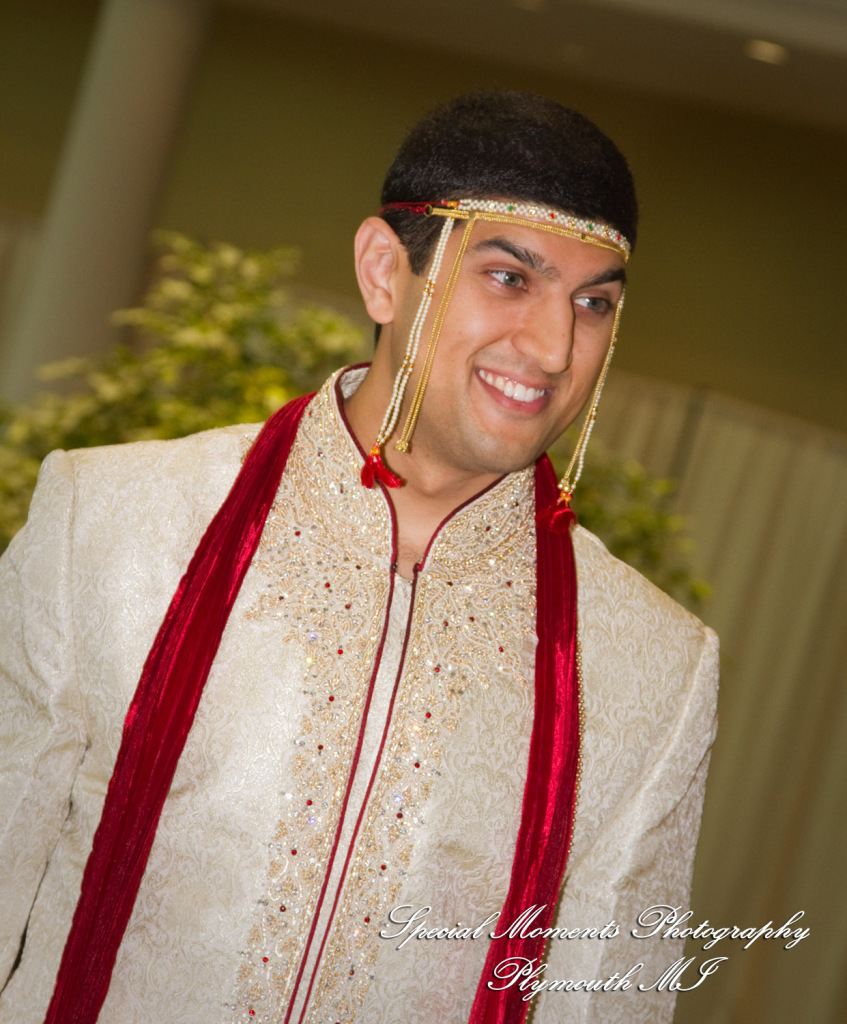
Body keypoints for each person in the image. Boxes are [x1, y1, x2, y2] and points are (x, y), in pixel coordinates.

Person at [0, 91, 718, 1024]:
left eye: (593, 304)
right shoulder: (112, 523)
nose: (552, 349)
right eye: (508, 277)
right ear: (384, 272)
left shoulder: (653, 666)